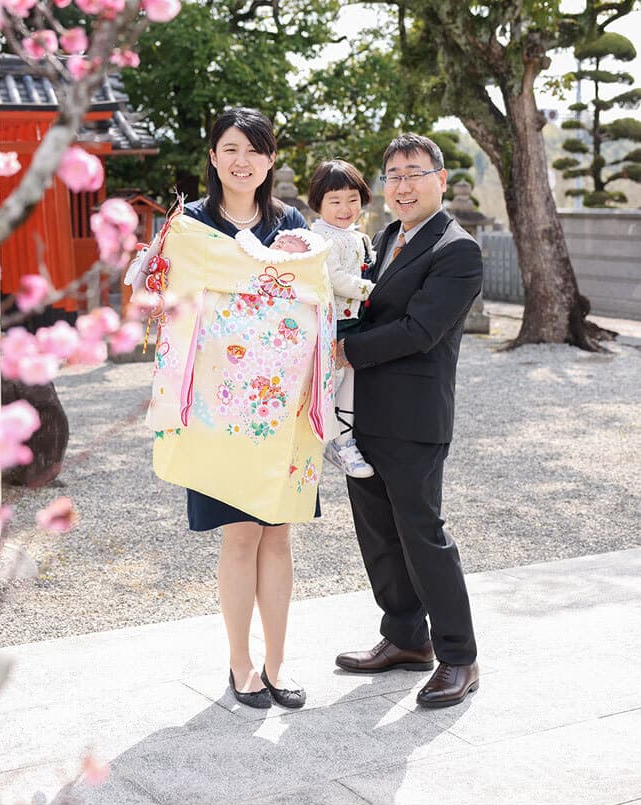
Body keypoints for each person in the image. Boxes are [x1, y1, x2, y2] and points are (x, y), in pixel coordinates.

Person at [133, 108, 331, 712]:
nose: (242, 161)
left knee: (279, 534)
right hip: (219, 410)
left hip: (281, 407)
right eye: (230, 149)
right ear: (213, 157)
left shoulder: (291, 225)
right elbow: (167, 299)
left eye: (254, 150)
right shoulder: (190, 225)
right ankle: (241, 663)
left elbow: (312, 293)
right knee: (241, 536)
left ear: (270, 160)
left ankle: (277, 662)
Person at [334, 132, 483, 709]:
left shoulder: (457, 249)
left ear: (439, 180)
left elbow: (421, 331)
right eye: (392, 175)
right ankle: (405, 638)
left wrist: (346, 350)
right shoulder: (385, 237)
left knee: (422, 536)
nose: (401, 186)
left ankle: (459, 657)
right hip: (365, 412)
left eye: (413, 173)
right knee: (378, 534)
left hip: (415, 418)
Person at [307, 160, 376, 478]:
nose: (345, 208)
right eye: (335, 201)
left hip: (354, 317)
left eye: (352, 199)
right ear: (318, 203)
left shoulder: (356, 236)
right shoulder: (319, 237)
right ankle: (336, 440)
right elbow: (335, 278)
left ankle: (343, 439)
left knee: (351, 376)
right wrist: (372, 289)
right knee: (330, 380)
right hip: (332, 320)